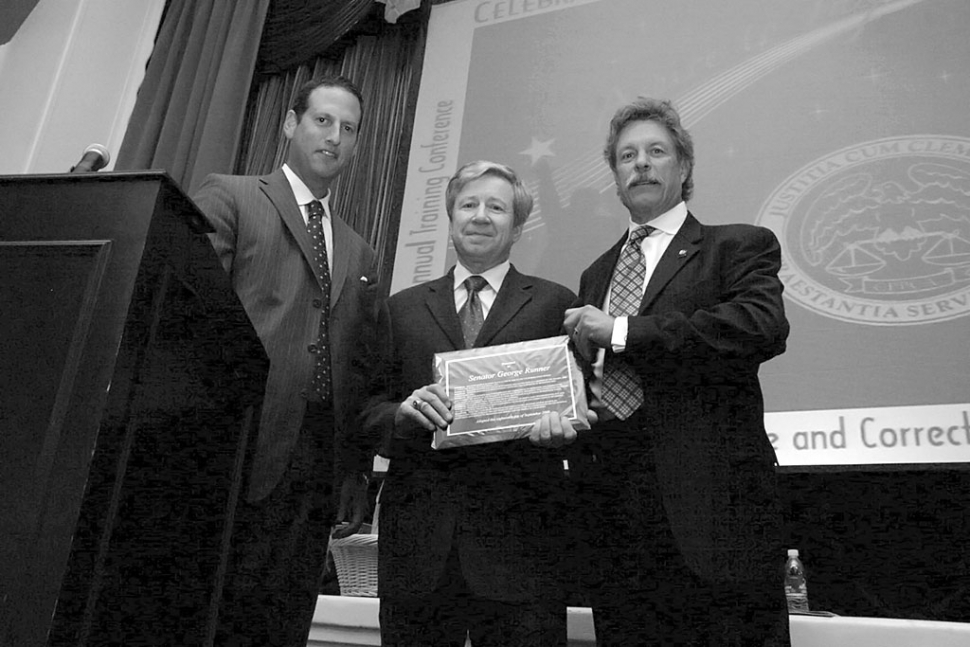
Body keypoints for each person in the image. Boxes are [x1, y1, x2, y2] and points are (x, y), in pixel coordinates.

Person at [562, 98, 792, 646]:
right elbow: (593, 376)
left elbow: (761, 326)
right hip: (615, 516)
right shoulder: (595, 273)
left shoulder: (735, 246)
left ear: (683, 168)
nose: (640, 164)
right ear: (615, 177)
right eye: (626, 156)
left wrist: (622, 330)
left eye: (655, 152)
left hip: (715, 515)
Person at [193, 75, 382, 647]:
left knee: (280, 621)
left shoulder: (361, 249)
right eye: (323, 121)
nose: (335, 137)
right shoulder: (230, 196)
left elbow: (363, 370)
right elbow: (192, 324)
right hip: (233, 451)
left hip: (316, 469)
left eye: (348, 129)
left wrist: (354, 469)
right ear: (290, 123)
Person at [362, 160, 577, 647]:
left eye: (496, 207)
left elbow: (581, 408)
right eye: (469, 204)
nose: (481, 216)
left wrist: (563, 430)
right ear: (451, 216)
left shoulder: (554, 303)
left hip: (522, 546)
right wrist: (399, 414)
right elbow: (365, 409)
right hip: (419, 549)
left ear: (517, 226)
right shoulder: (401, 308)